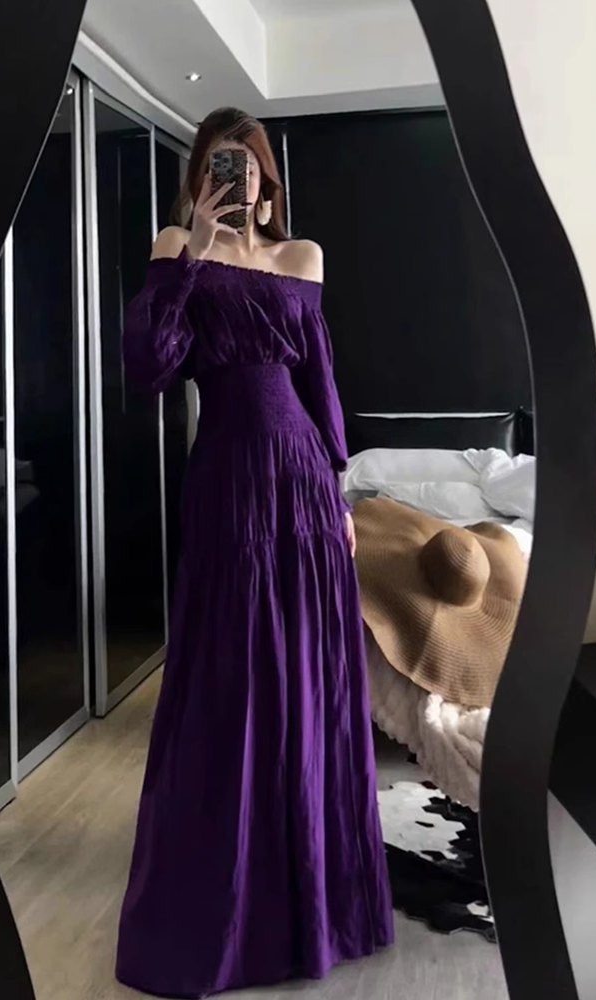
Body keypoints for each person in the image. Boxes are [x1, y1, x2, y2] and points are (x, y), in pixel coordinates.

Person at [116, 107, 393, 999]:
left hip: (305, 483)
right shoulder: (176, 248)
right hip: (229, 480)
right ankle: (228, 901)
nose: (233, 178)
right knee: (234, 677)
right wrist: (193, 253)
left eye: (245, 165)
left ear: (267, 178)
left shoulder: (302, 258)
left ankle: (317, 892)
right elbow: (149, 368)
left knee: (311, 676)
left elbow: (319, 382)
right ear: (200, 177)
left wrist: (340, 490)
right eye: (217, 165)